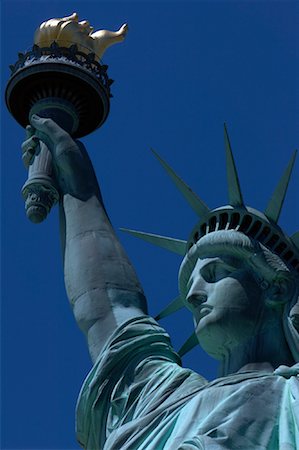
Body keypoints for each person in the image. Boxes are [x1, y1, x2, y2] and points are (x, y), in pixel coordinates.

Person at [22, 115, 299, 450]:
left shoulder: (292, 399)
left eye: (214, 274)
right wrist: (77, 185)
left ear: (277, 287)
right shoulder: (163, 402)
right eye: (190, 284)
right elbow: (109, 308)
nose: (195, 295)